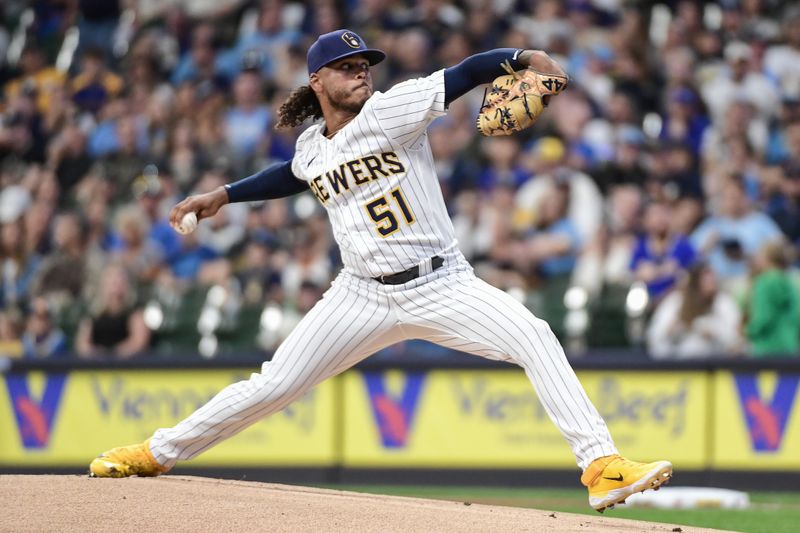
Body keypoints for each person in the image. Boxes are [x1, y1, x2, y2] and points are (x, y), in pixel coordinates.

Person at [89, 29, 672, 512]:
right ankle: (158, 452)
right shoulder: (314, 145)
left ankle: (601, 465)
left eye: (364, 62)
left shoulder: (391, 109)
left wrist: (525, 59)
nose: (360, 71)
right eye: (345, 66)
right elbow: (294, 174)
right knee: (272, 385)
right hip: (360, 295)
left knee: (534, 335)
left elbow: (467, 71)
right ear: (317, 81)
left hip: (441, 282)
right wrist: (224, 193)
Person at [647, 263, 742, 359]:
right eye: (706, 282)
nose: (711, 285)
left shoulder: (724, 302)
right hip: (680, 365)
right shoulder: (675, 302)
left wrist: (714, 333)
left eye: (712, 281)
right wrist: (673, 331)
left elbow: (737, 341)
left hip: (717, 365)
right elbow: (655, 339)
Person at [745, 242, 800, 357]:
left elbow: (763, 318)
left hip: (766, 350)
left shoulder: (763, 283)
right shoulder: (790, 283)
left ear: (766, 258)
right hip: (790, 348)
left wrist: (748, 332)